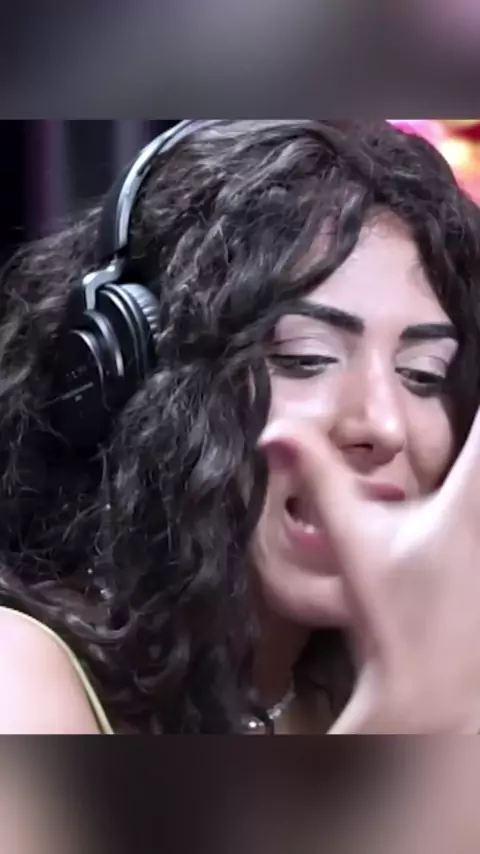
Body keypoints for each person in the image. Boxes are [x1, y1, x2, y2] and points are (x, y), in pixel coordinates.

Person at [0, 118, 480, 734]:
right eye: (306, 357)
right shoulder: (20, 674)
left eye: (423, 374)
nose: (383, 425)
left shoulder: (341, 686)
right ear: (141, 383)